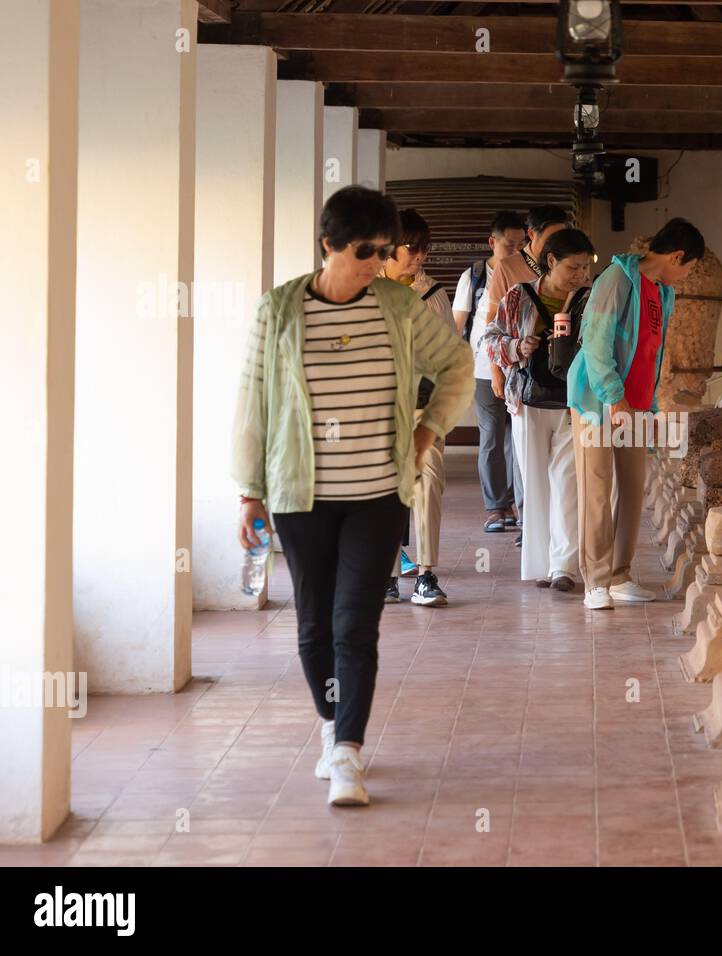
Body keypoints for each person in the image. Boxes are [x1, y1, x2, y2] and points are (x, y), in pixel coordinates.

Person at [232, 186, 474, 806]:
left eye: (385, 251)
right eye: (366, 251)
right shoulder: (279, 311)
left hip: (378, 493)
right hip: (299, 496)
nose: (379, 262)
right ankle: (330, 722)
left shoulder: (398, 306)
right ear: (329, 244)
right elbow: (252, 403)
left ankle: (348, 752)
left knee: (354, 625)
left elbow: (456, 364)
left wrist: (427, 430)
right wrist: (249, 494)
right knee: (313, 626)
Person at [567, 218, 705, 610]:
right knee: (596, 489)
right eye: (688, 267)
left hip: (637, 405)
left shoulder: (662, 292)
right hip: (599, 402)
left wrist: (651, 406)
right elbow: (596, 342)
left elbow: (650, 352)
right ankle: (594, 581)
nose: (686, 275)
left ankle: (619, 575)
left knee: (631, 489)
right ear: (676, 256)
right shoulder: (616, 279)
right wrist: (614, 398)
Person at [482, 228, 595, 590]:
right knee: (534, 483)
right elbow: (491, 337)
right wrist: (518, 347)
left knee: (567, 481)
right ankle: (541, 564)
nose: (581, 276)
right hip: (527, 400)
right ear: (550, 262)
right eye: (574, 268)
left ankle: (563, 567)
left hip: (572, 403)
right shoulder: (519, 296)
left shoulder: (589, 300)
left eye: (585, 268)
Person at [483, 204, 571, 548]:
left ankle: (555, 539)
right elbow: (493, 323)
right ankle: (525, 524)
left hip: (565, 388)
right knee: (521, 457)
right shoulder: (509, 268)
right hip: (521, 378)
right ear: (534, 235)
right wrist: (498, 372)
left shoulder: (576, 276)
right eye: (554, 234)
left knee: (561, 472)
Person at [380, 209, 456, 606]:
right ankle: (389, 577)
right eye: (412, 247)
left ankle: (426, 574)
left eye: (424, 249)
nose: (419, 256)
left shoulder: (432, 294)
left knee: (427, 482)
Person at [453, 210, 526, 536]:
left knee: (518, 437)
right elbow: (457, 325)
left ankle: (515, 502)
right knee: (492, 436)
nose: (515, 251)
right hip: (484, 368)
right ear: (492, 242)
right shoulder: (475, 276)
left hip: (521, 367)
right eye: (510, 245)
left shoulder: (528, 273)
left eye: (521, 244)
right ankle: (496, 506)